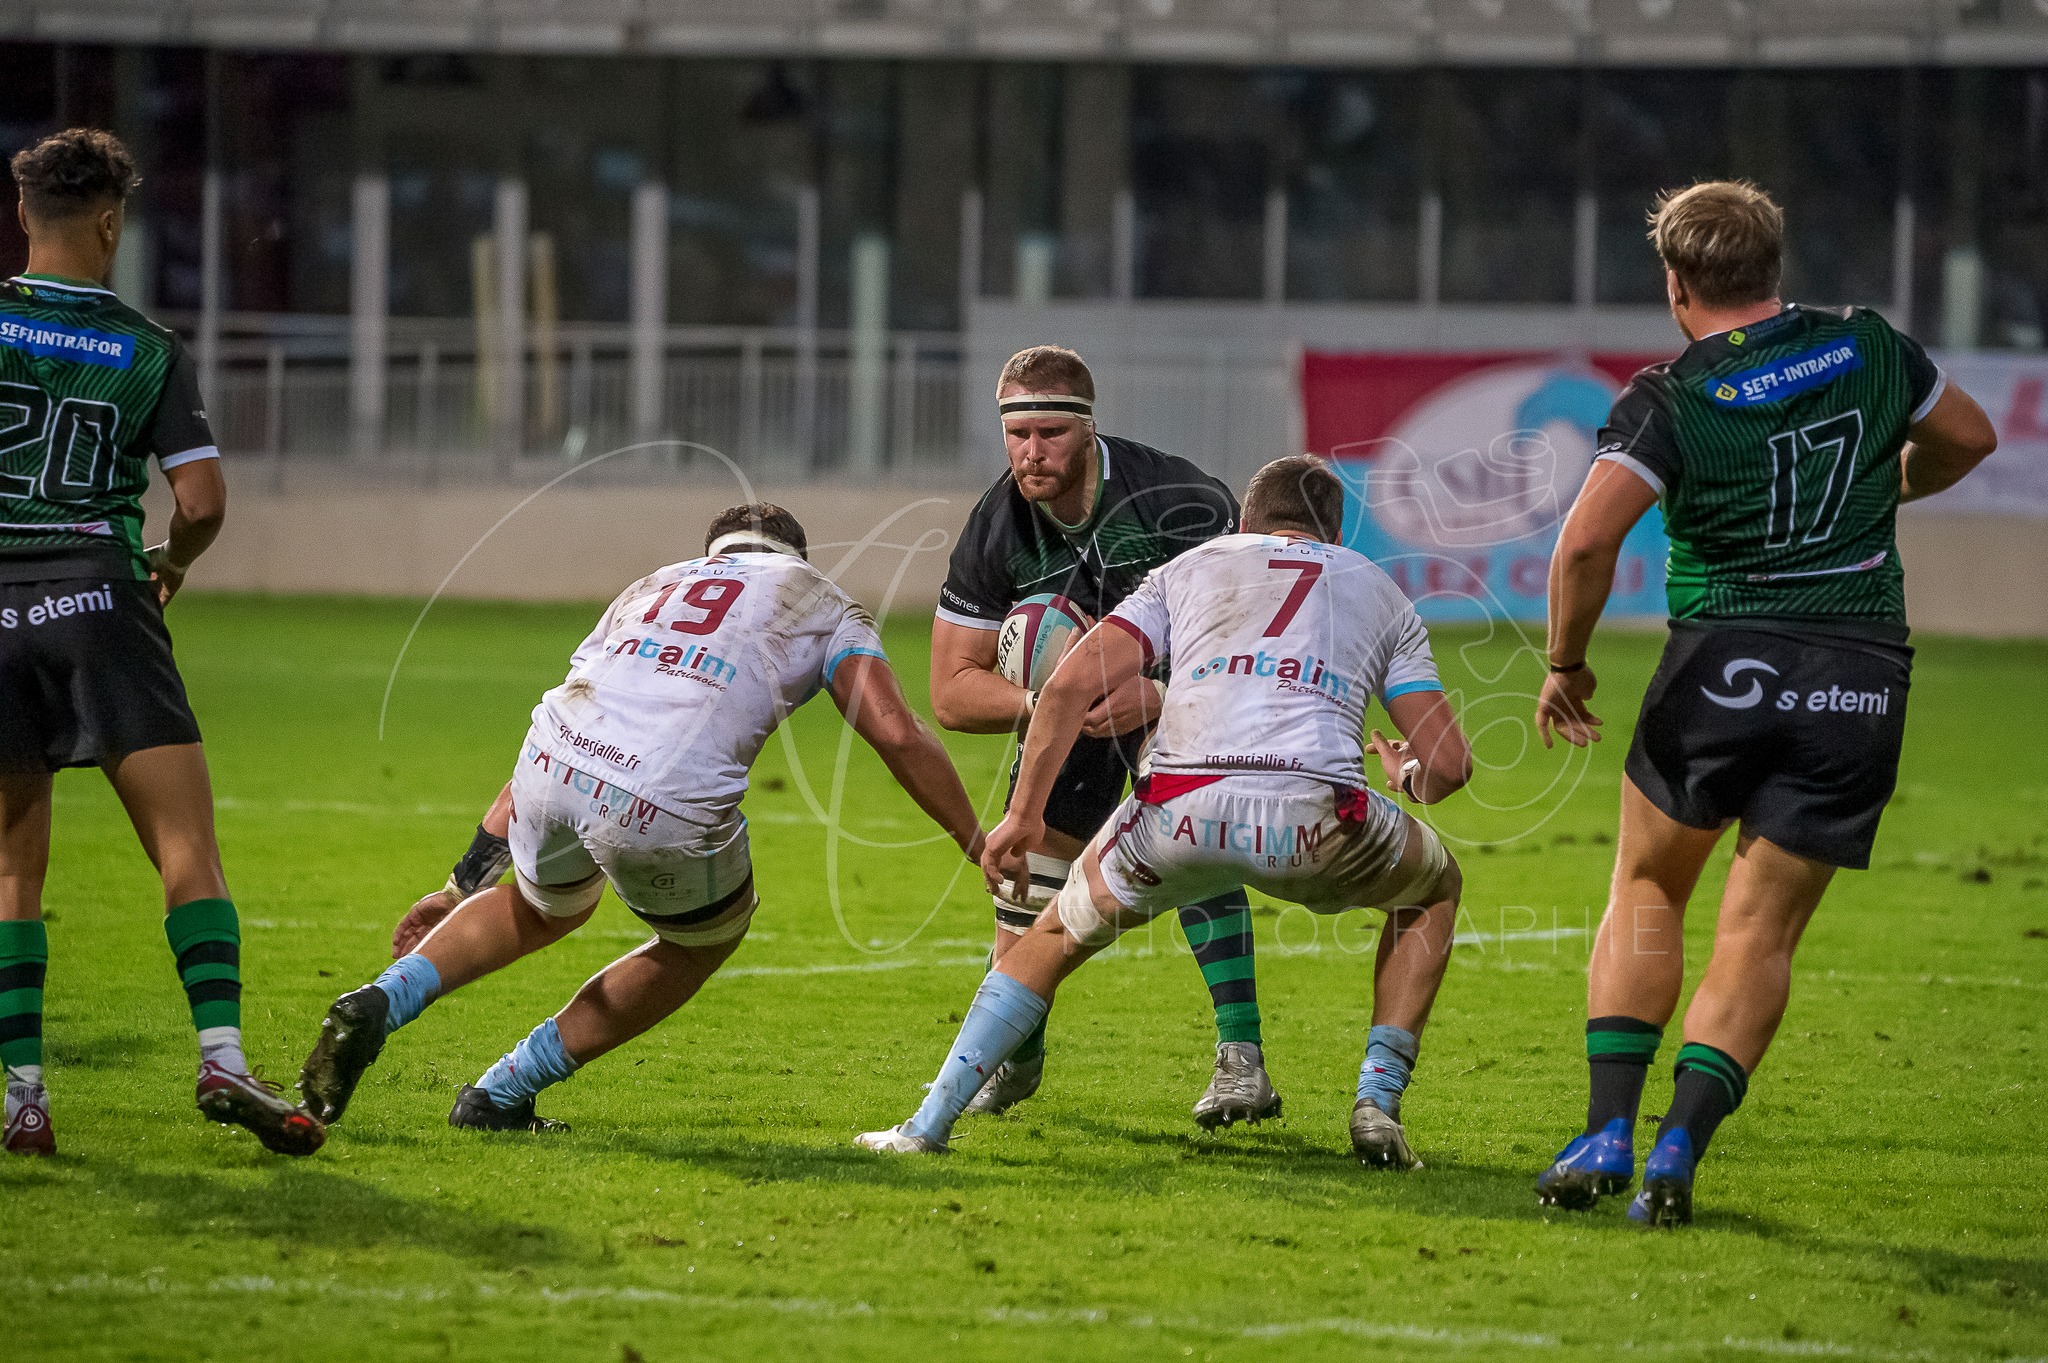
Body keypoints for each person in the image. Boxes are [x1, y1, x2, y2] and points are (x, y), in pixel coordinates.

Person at [1531, 181, 1999, 1226]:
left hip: (1722, 659)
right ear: (1771, 265)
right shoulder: (1874, 350)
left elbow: (1586, 541)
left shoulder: (1670, 393)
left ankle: (1607, 1123)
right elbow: (1968, 438)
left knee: (1647, 888)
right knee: (1760, 935)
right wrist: (1889, 486)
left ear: (1674, 282)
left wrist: (1563, 662)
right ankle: (1674, 1156)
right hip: (1858, 671)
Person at [858, 456, 1472, 1163]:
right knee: (1436, 887)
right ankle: (1376, 1101)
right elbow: (1450, 764)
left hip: (1179, 808)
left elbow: (1065, 688)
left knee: (1047, 939)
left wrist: (1025, 814)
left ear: (1244, 522)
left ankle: (925, 1125)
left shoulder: (1190, 567)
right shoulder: (1378, 588)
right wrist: (1407, 774)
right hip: (1318, 814)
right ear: (1334, 535)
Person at [298, 504, 985, 1131]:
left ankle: (382, 998)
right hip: (661, 791)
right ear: (796, 558)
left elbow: (577, 705)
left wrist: (459, 886)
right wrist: (976, 841)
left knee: (542, 909)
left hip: (551, 758)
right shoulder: (821, 598)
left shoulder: (653, 584)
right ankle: (501, 1091)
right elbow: (895, 730)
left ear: (713, 553)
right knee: (700, 942)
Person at [0, 130, 325, 1157]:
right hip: (98, 590)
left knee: (13, 865)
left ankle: (23, 1097)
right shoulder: (145, 347)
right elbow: (201, 499)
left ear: (23, 217)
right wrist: (173, 562)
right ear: (109, 224)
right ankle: (223, 1057)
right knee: (186, 847)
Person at [927, 345, 1280, 1129]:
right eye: (1016, 434)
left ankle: (1242, 1063)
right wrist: (1046, 700)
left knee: (1196, 843)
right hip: (1068, 711)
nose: (1031, 451)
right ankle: (1010, 1056)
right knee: (1025, 883)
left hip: (1180, 699)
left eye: (1050, 432)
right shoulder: (998, 524)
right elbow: (950, 689)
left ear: (1089, 428)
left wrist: (1151, 691)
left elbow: (1252, 640)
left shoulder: (1179, 498)